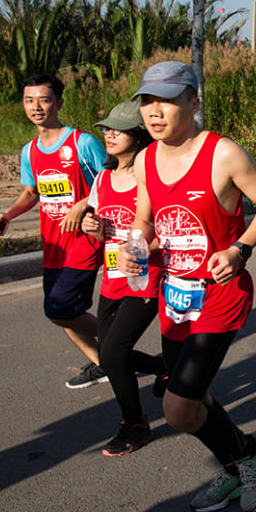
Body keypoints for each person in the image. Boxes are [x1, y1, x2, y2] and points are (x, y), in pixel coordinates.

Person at [117, 60, 256, 512]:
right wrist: (138, 245)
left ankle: (248, 456)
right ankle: (237, 463)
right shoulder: (146, 160)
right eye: (147, 101)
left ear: (193, 102)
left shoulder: (222, 154)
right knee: (196, 402)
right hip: (175, 298)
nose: (154, 112)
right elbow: (146, 220)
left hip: (221, 296)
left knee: (177, 407)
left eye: (167, 101)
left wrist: (240, 249)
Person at [0, 73, 108, 389]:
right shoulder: (30, 151)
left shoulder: (81, 142)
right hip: (54, 245)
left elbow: (112, 183)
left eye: (43, 99)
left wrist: (82, 205)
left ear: (58, 102)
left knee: (59, 308)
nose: (36, 107)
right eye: (29, 100)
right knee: (61, 312)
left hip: (84, 240)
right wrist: (7, 215)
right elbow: (31, 193)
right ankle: (103, 362)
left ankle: (122, 349)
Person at [79, 100, 167, 456]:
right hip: (113, 278)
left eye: (118, 129)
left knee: (113, 355)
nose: (109, 134)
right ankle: (163, 366)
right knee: (108, 352)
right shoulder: (102, 179)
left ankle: (135, 425)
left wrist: (145, 249)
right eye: (107, 129)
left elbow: (167, 228)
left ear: (138, 135)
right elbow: (103, 232)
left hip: (146, 277)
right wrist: (92, 227)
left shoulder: (152, 176)